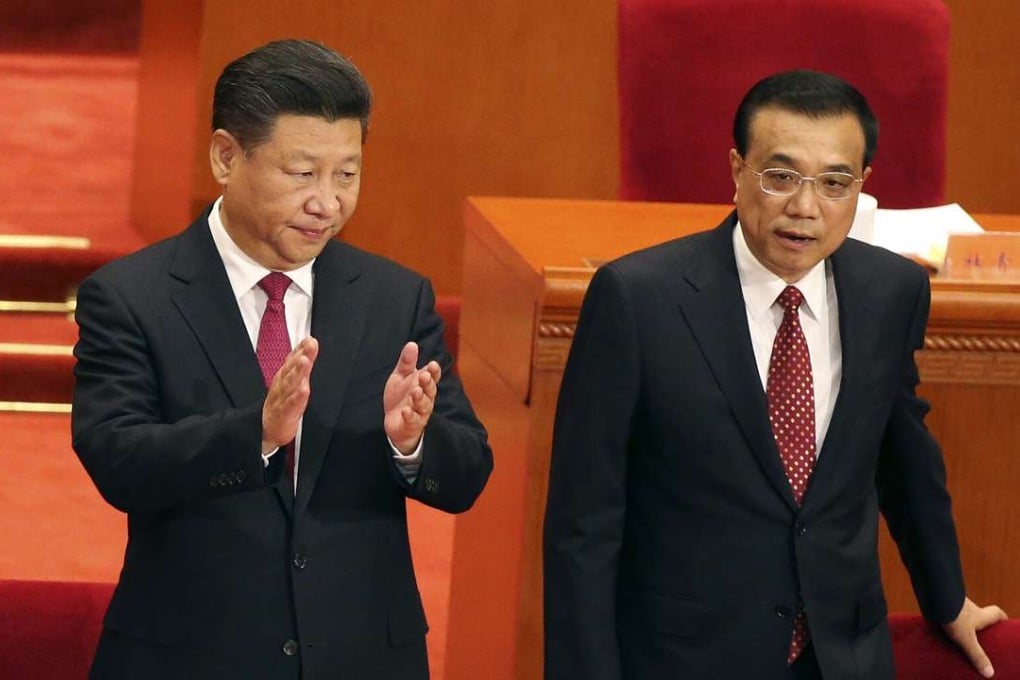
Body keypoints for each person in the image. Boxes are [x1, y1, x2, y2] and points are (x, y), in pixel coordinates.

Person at [543, 70, 1006, 679]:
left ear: (862, 185)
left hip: (840, 654)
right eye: (780, 176)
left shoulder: (892, 291)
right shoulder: (638, 301)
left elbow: (901, 454)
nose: (805, 207)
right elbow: (583, 524)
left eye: (834, 183)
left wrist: (947, 597)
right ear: (737, 170)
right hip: (686, 655)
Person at [71, 39, 492, 680]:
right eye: (302, 175)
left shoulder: (394, 298)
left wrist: (411, 443)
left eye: (346, 175)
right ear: (225, 156)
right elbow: (119, 463)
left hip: (362, 655)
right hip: (190, 654)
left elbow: (466, 477)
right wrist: (256, 435)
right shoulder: (133, 297)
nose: (327, 202)